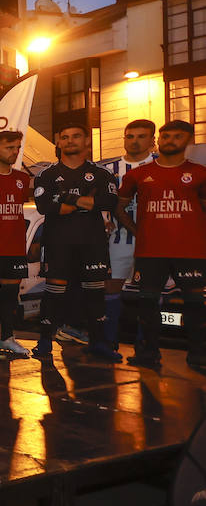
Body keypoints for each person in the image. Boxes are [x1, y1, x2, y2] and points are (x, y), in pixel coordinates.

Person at [116, 120, 205, 371]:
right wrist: (137, 231)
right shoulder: (138, 175)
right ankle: (148, 354)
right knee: (147, 305)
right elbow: (120, 206)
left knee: (195, 306)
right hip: (150, 252)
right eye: (166, 136)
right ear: (160, 139)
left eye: (177, 137)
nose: (170, 141)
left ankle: (198, 355)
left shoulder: (199, 173)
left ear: (187, 140)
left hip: (190, 253)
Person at [32, 122, 120, 361]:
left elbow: (108, 203)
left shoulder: (102, 174)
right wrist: (86, 201)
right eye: (65, 137)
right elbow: (46, 206)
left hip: (92, 242)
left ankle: (99, 343)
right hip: (58, 242)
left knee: (94, 293)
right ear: (58, 142)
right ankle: (44, 342)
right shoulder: (46, 174)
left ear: (86, 141)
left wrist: (67, 199)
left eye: (76, 136)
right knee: (54, 292)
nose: (70, 140)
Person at [99, 119, 157, 351]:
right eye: (130, 136)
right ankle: (109, 340)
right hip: (117, 240)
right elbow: (97, 199)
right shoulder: (106, 170)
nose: (134, 141)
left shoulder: (161, 165)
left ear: (152, 140)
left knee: (150, 291)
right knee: (111, 288)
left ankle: (145, 344)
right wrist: (101, 218)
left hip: (154, 241)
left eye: (141, 136)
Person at [0, 130, 35, 357]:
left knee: (10, 296)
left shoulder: (22, 179)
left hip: (14, 248)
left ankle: (7, 338)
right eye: (9, 147)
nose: (14, 152)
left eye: (17, 148)